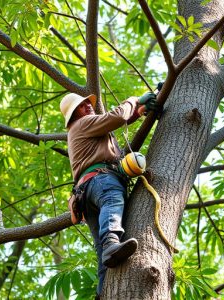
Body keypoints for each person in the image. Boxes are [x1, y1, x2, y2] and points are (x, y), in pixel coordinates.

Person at [60, 91, 158, 297]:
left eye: (88, 103)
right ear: (73, 115)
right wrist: (134, 100)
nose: (88, 106)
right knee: (113, 201)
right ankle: (112, 242)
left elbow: (119, 121)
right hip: (101, 182)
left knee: (102, 256)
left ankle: (103, 293)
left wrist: (139, 112)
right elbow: (117, 117)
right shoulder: (82, 124)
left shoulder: (89, 129)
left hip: (86, 194)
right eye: (81, 106)